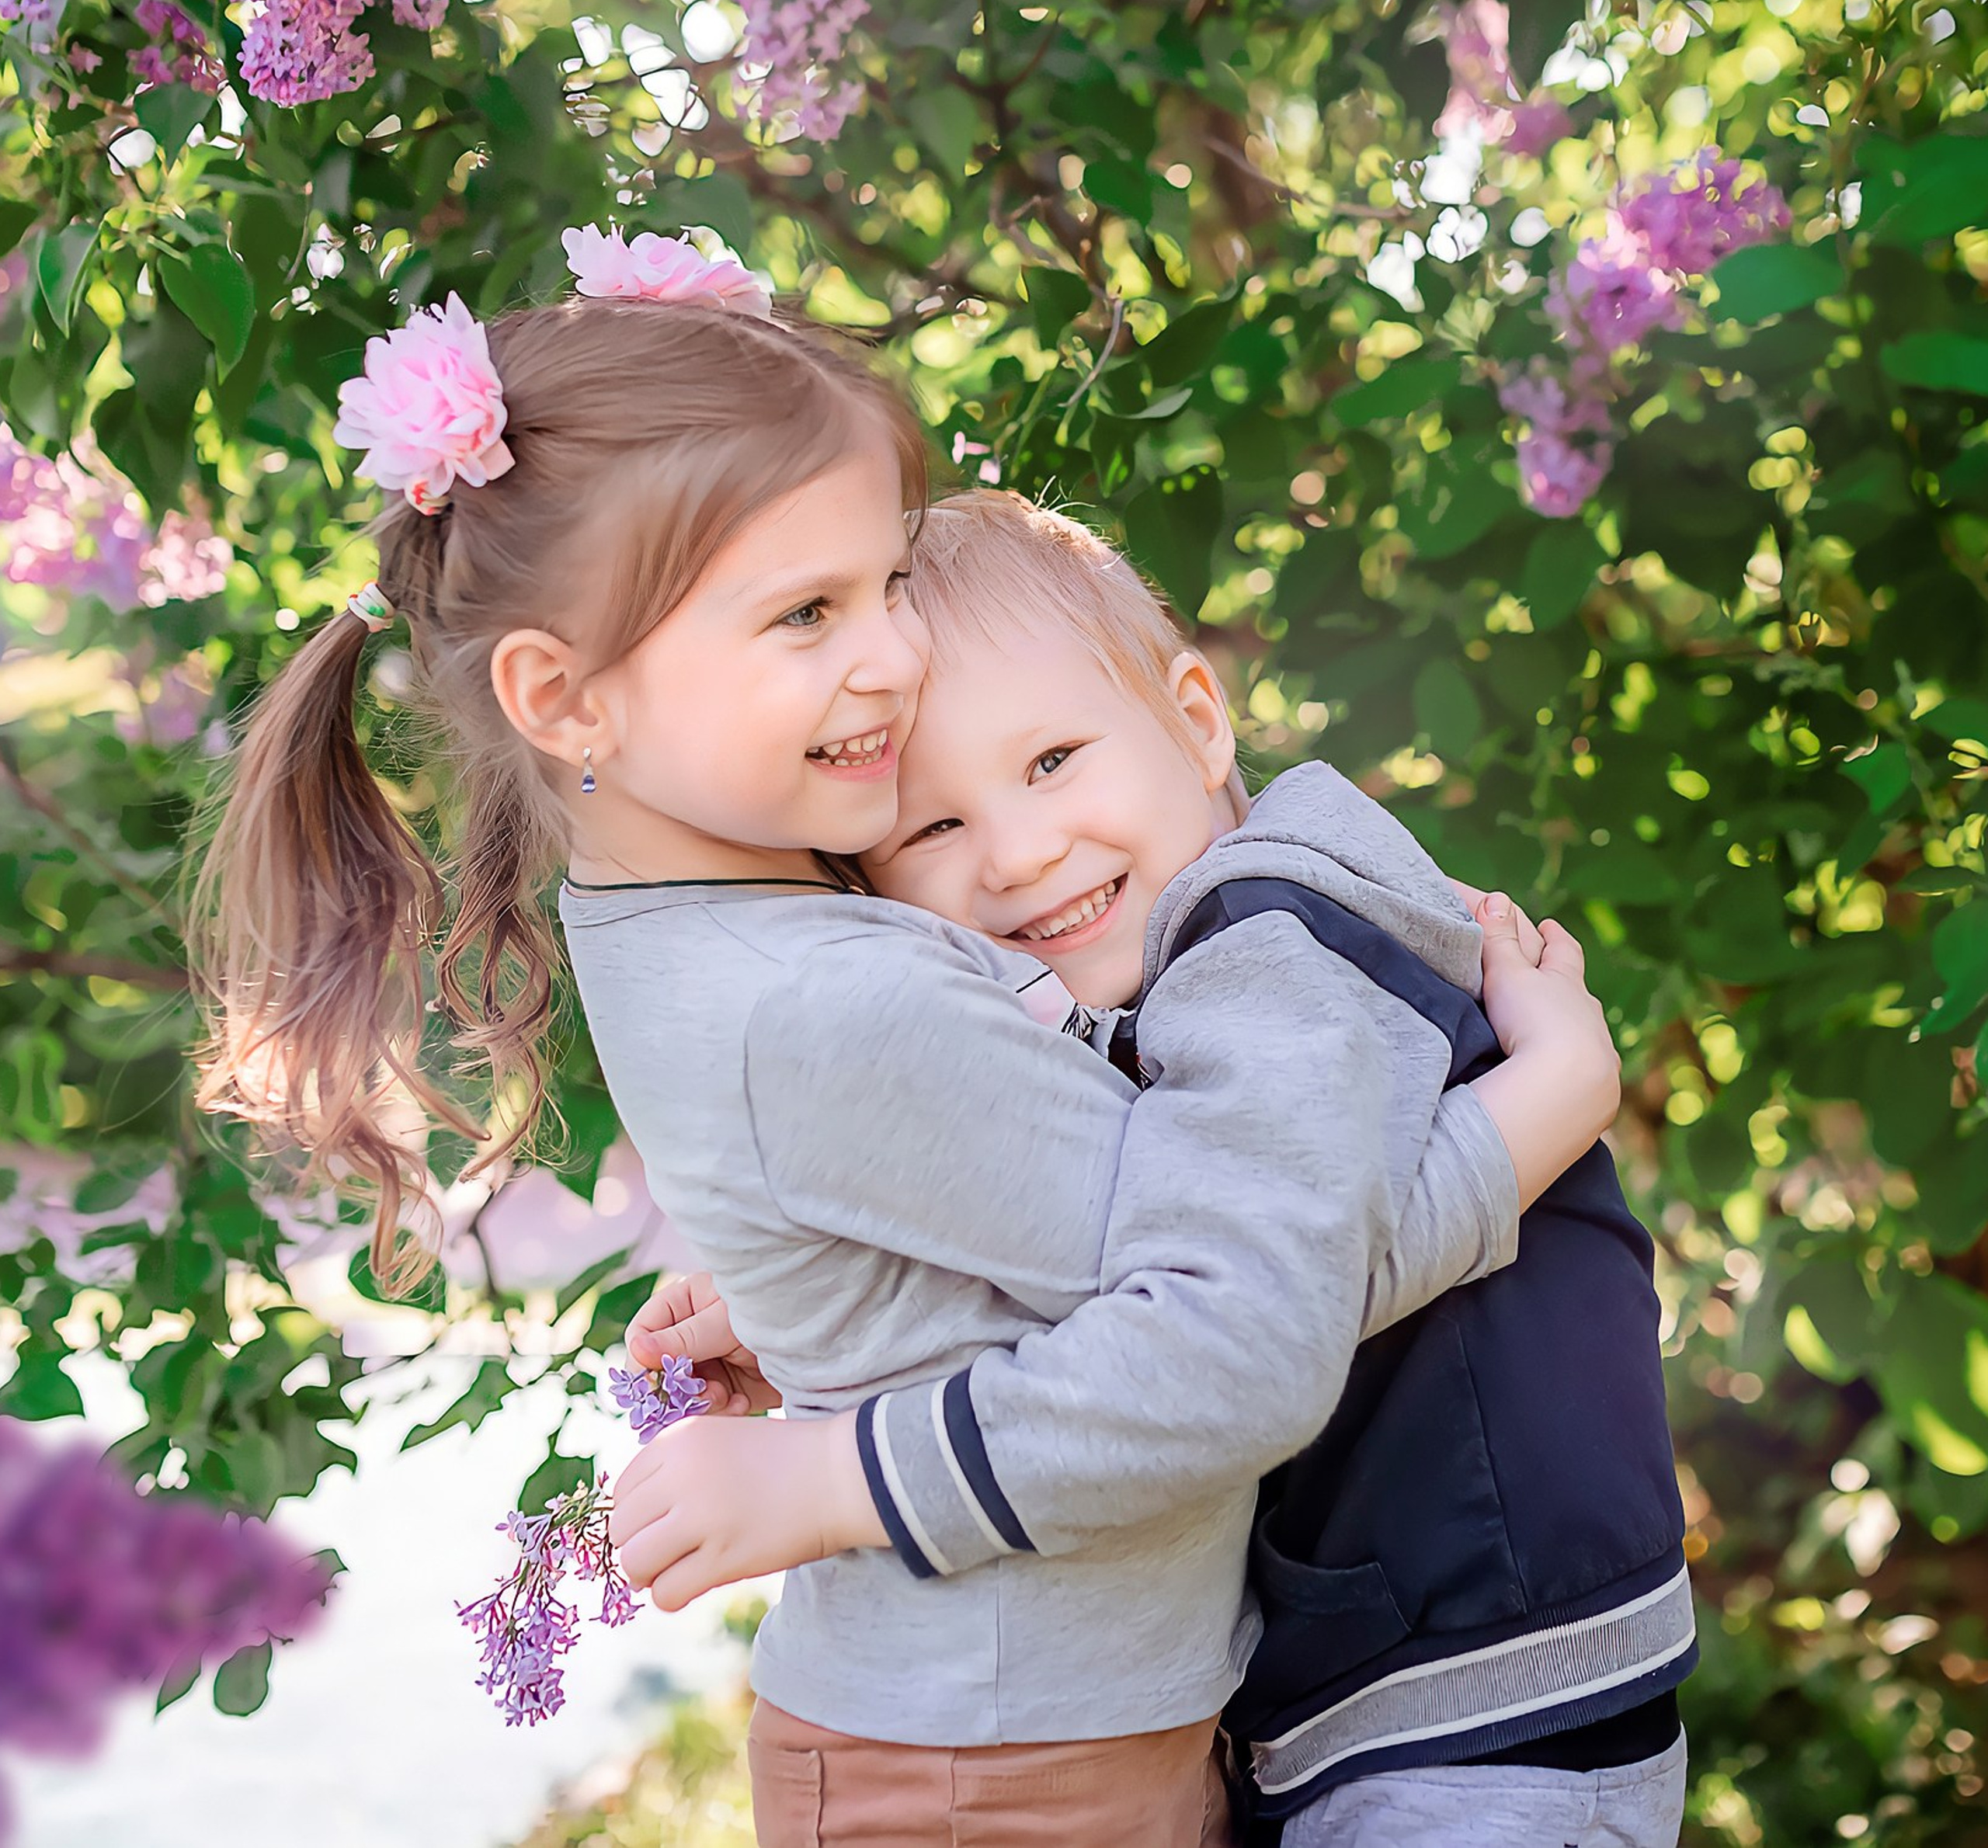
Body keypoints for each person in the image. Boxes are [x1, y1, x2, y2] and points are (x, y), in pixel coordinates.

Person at [191, 238, 1613, 1848]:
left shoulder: (686, 913)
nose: (893, 654)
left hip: (1018, 1729)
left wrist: (852, 1314)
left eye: (880, 585)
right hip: (1000, 1776)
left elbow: (988, 1206)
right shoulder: (827, 999)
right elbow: (1245, 1317)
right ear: (567, 699)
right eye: (806, 611)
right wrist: (1541, 1107)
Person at [650, 489, 1691, 1846]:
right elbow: (1120, 1240)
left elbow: (1250, 1305)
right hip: (1414, 1686)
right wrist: (822, 1317)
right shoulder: (1180, 973)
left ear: (1199, 721)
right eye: (932, 830)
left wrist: (831, 1475)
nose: (1021, 851)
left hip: (1485, 1713)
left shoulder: (1266, 939)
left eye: (1051, 760)